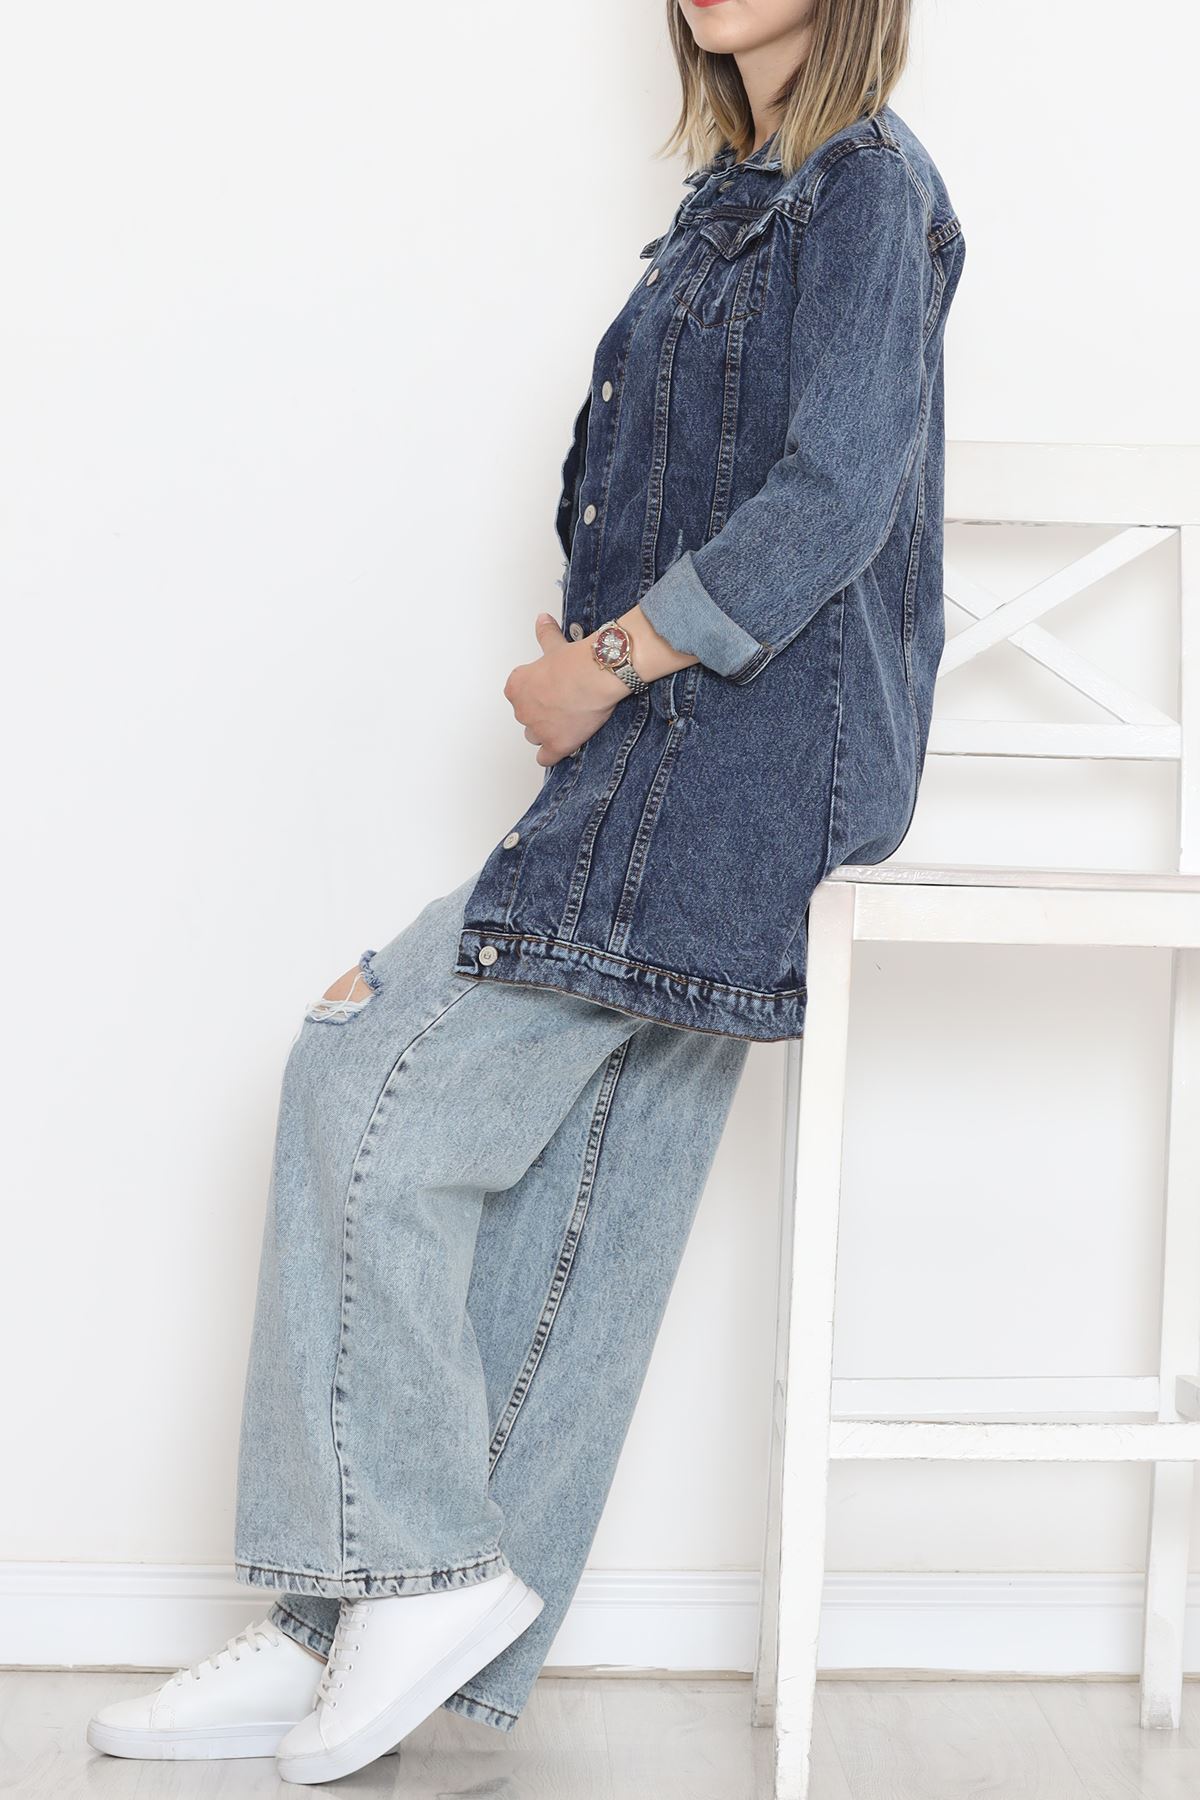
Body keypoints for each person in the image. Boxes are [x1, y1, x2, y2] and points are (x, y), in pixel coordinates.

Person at [87, 0, 966, 1783]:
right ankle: (385, 1645)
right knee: (587, 1205)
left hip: (738, 759)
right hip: (679, 738)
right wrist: (597, 646)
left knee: (361, 1073)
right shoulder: (729, 203)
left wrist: (615, 661)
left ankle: (396, 1580)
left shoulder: (871, 186)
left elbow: (834, 494)